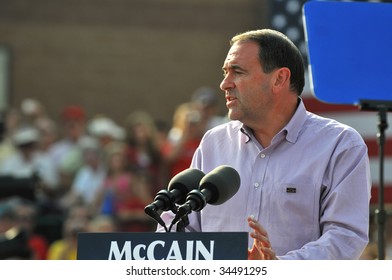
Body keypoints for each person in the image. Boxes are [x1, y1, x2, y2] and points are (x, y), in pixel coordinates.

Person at [158, 29, 371, 260]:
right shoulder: (213, 143)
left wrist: (278, 268)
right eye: (225, 72)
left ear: (279, 79)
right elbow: (179, 226)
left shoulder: (340, 145)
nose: (224, 84)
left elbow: (345, 238)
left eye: (237, 72)